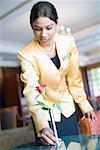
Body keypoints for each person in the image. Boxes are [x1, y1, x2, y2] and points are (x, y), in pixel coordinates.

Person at [17, 1, 97, 147]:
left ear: (57, 23)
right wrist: (42, 125)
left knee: (74, 146)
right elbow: (31, 89)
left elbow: (74, 78)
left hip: (67, 109)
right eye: (37, 29)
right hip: (44, 114)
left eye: (48, 28)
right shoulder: (26, 53)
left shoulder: (68, 42)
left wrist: (84, 104)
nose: (43, 34)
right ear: (32, 27)